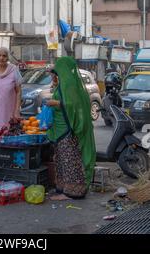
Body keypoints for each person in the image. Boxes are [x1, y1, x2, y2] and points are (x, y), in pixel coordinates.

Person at [46, 57, 96, 200]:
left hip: (67, 128)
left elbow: (71, 105)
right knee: (62, 159)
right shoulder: (63, 83)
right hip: (60, 128)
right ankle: (64, 188)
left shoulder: (69, 84)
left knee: (70, 160)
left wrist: (54, 102)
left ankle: (73, 192)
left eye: (57, 69)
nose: (55, 72)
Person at [0, 47, 23, 127]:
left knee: (7, 132)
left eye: (4, 56)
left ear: (8, 57)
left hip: (9, 110)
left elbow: (19, 91)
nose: (1, 58)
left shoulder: (14, 70)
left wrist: (17, 110)